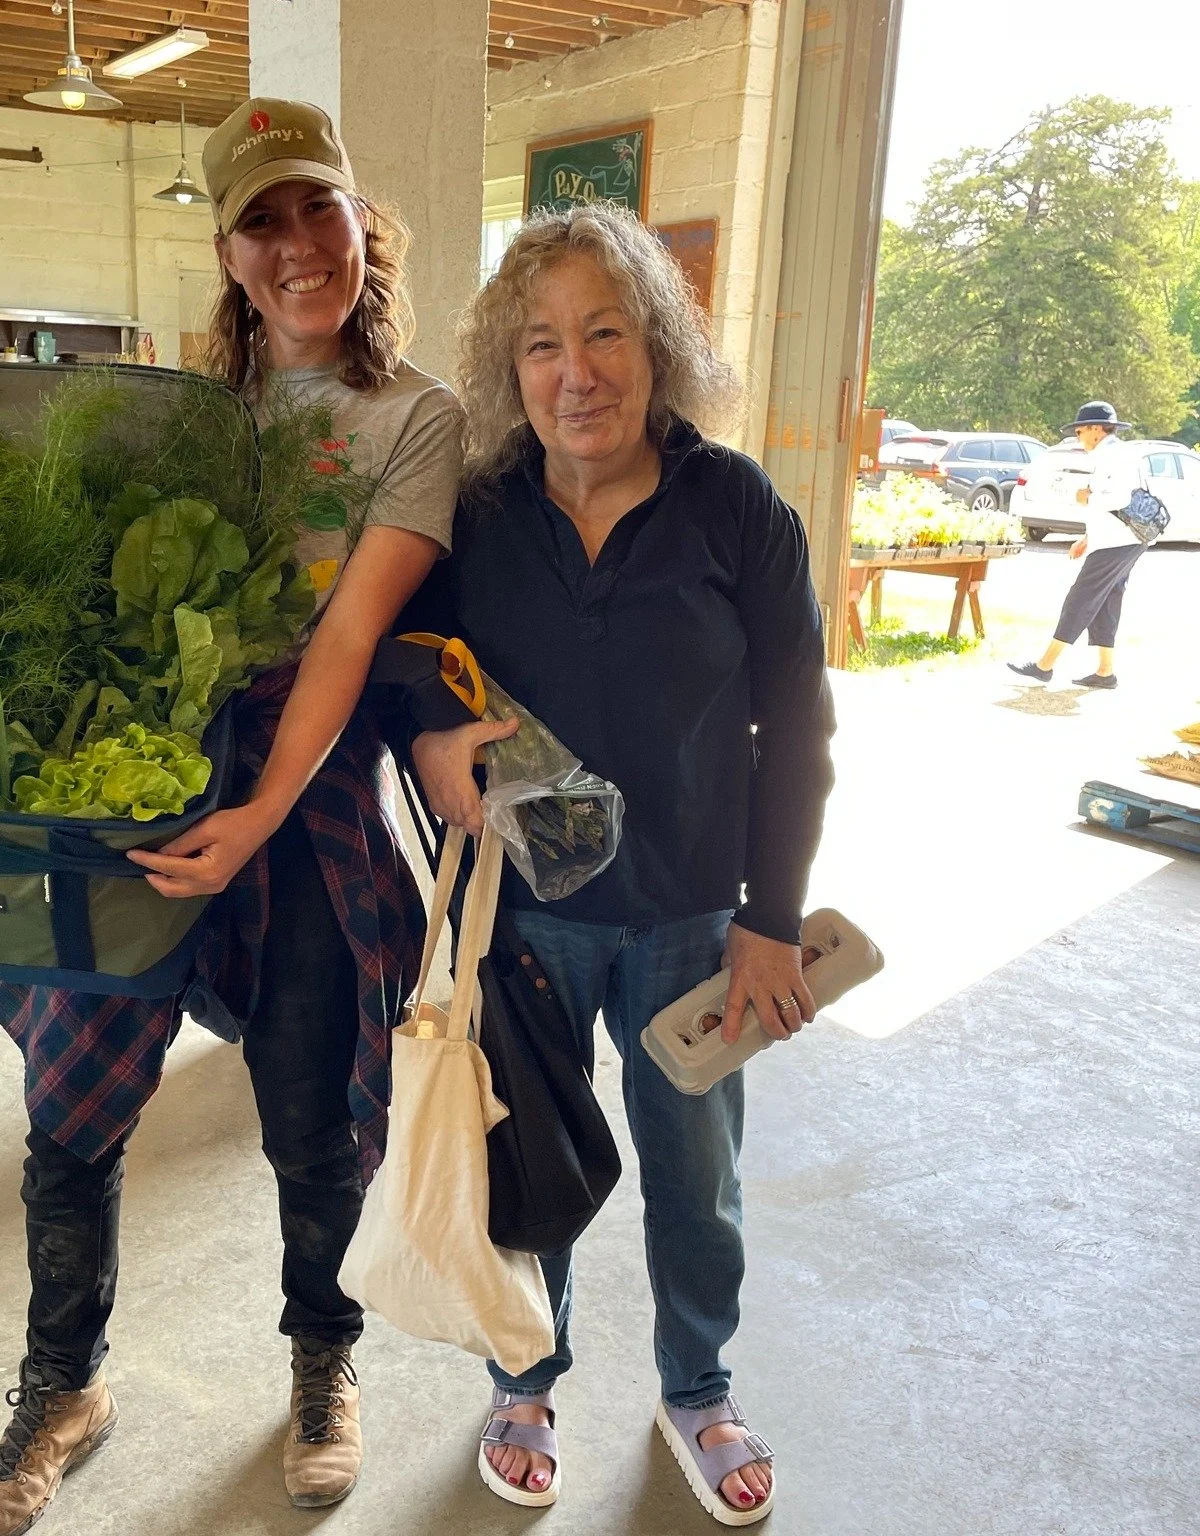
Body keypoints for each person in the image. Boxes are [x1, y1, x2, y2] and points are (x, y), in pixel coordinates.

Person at [0, 98, 465, 1536]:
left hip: (300, 804)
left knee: (319, 1105)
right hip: (141, 784)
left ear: (365, 224)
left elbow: (352, 638)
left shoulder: (415, 417)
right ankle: (64, 1384)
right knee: (72, 1107)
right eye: (263, 221)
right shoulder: (178, 410)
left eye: (320, 210)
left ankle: (323, 1360)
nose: (299, 245)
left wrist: (249, 823)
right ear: (230, 253)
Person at [399, 202, 835, 1526]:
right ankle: (523, 1377)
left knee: (695, 1174)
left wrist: (772, 917)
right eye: (540, 345)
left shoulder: (734, 509)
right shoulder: (475, 516)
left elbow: (799, 719)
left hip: (695, 924)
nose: (573, 371)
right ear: (508, 367)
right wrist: (428, 741)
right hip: (525, 915)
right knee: (526, 1169)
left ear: (655, 345)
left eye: (603, 333)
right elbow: (409, 661)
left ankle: (698, 1387)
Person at [1008, 400, 1147, 690]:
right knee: (1107, 600)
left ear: (1096, 429)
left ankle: (1044, 666)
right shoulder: (1118, 453)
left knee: (1081, 599)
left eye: (1080, 430)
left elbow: (1119, 499)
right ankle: (1105, 672)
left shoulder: (1112, 456)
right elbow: (1124, 503)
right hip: (1125, 539)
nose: (1078, 436)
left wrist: (1086, 497)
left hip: (1117, 543)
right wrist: (1087, 538)